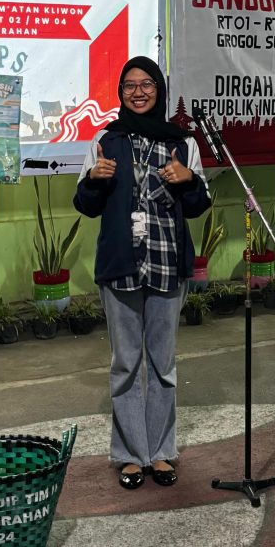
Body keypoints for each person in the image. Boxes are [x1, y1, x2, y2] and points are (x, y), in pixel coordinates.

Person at [74, 56, 210, 489]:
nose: (138, 92)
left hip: (168, 264)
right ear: (120, 92)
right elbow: (86, 205)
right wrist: (94, 179)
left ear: (159, 90)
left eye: (146, 84)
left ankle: (163, 452)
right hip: (121, 265)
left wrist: (188, 180)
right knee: (126, 364)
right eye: (129, 85)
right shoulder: (104, 140)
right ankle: (132, 454)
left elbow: (197, 205)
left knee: (164, 365)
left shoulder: (184, 144)